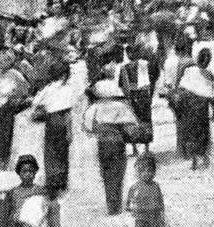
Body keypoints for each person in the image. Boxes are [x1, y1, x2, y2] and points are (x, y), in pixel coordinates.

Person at [82, 79, 137, 215]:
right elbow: (132, 126)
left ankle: (111, 204)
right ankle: (117, 201)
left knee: (106, 173)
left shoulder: (95, 107)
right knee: (119, 172)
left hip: (103, 144)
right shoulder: (121, 106)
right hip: (118, 144)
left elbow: (87, 127)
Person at [30, 60, 76, 193]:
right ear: (64, 75)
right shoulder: (67, 89)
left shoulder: (48, 88)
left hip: (51, 121)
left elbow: (35, 102)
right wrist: (70, 131)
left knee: (50, 150)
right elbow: (68, 112)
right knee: (63, 151)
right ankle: (62, 181)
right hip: (62, 119)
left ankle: (51, 179)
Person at [0, 46, 31, 169]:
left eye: (5, 60)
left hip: (8, 105)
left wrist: (14, 95)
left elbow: (25, 89)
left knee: (5, 133)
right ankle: (1, 160)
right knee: (1, 133)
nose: (1, 63)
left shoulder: (14, 74)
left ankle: (4, 161)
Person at [175, 48, 214, 170]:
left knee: (193, 133)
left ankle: (194, 159)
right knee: (203, 133)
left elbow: (182, 87)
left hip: (191, 107)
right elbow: (211, 95)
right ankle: (204, 157)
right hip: (202, 108)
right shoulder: (209, 75)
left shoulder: (189, 70)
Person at [120, 44, 159, 153]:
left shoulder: (125, 68)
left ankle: (134, 148)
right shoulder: (146, 65)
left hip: (132, 95)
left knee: (133, 121)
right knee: (145, 120)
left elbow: (122, 85)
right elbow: (153, 78)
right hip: (143, 95)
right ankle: (146, 148)